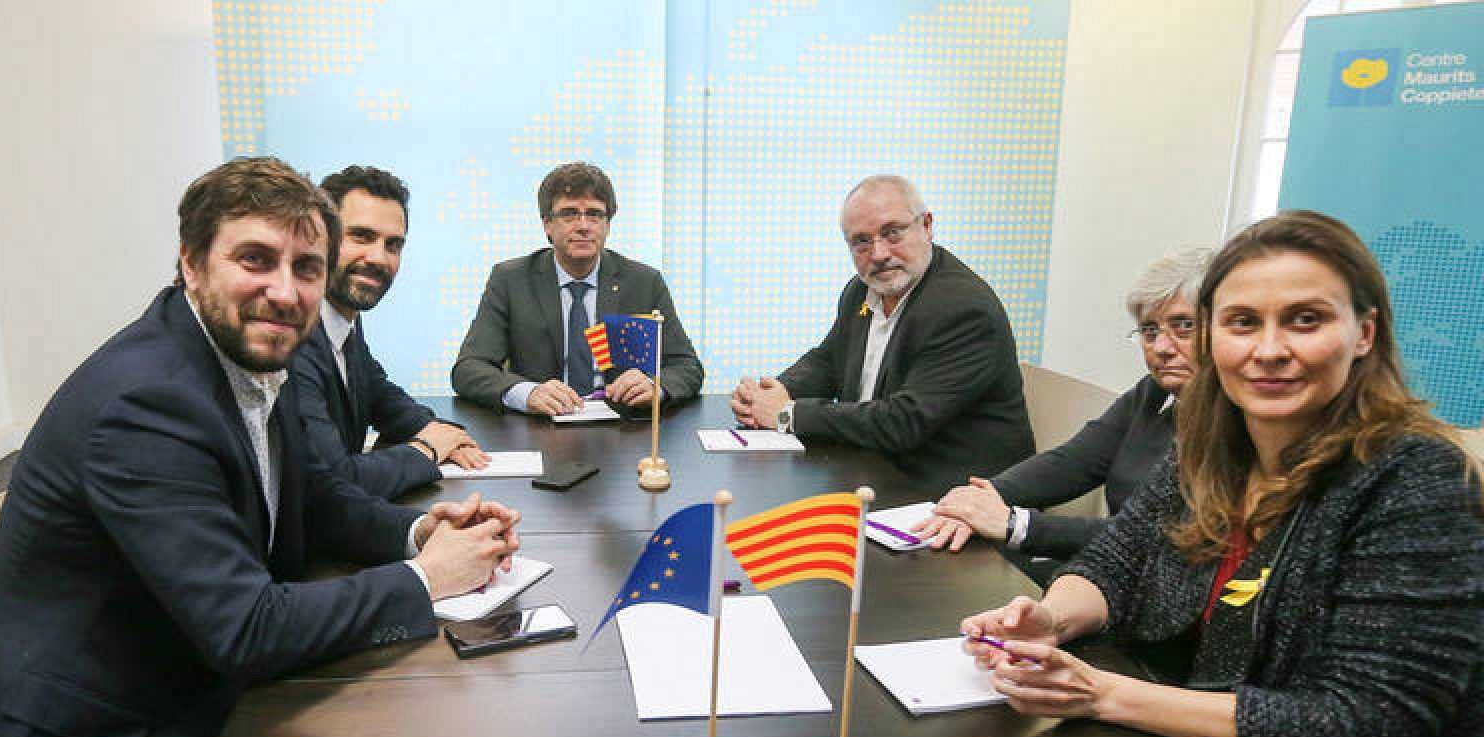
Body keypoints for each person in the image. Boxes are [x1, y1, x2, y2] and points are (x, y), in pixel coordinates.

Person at [0, 157, 521, 737]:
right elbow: (246, 630)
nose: (285, 291)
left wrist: (418, 535)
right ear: (191, 263)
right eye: (256, 260)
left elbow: (317, 498)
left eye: (306, 268)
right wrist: (428, 580)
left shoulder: (254, 351)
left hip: (167, 677)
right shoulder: (146, 403)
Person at [959, 210, 1484, 737]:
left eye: (1304, 320)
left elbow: (1363, 725)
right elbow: (1118, 561)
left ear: (1364, 333)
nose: (1268, 348)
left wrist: (1102, 694)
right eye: (1242, 323)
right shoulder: (1211, 448)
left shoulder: (1413, 478)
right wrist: (1049, 622)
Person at [730, 175, 1034, 496]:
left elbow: (903, 421)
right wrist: (771, 393)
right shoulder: (861, 290)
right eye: (861, 241)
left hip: (953, 499)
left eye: (892, 233)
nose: (878, 253)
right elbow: (829, 361)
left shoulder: (964, 310)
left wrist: (787, 414)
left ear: (927, 226)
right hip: (873, 473)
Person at [914, 247, 1213, 560]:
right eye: (1150, 331)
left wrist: (1018, 524)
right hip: (1106, 574)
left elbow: (1157, 538)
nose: (1162, 347)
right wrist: (980, 498)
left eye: (1183, 326)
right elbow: (1075, 461)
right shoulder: (1154, 391)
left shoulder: (1236, 423)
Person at [292, 164, 489, 499]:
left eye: (393, 245)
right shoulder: (292, 332)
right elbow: (336, 482)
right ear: (320, 237)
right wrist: (427, 448)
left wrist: (436, 429)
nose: (378, 258)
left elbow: (378, 391)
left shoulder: (343, 317)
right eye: (361, 237)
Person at [451, 161, 704, 416]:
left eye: (594, 214)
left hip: (623, 427)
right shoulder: (511, 280)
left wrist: (655, 386)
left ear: (607, 225)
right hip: (541, 426)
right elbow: (468, 368)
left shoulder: (643, 281)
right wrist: (528, 393)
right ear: (547, 224)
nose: (583, 226)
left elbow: (687, 366)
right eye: (569, 213)